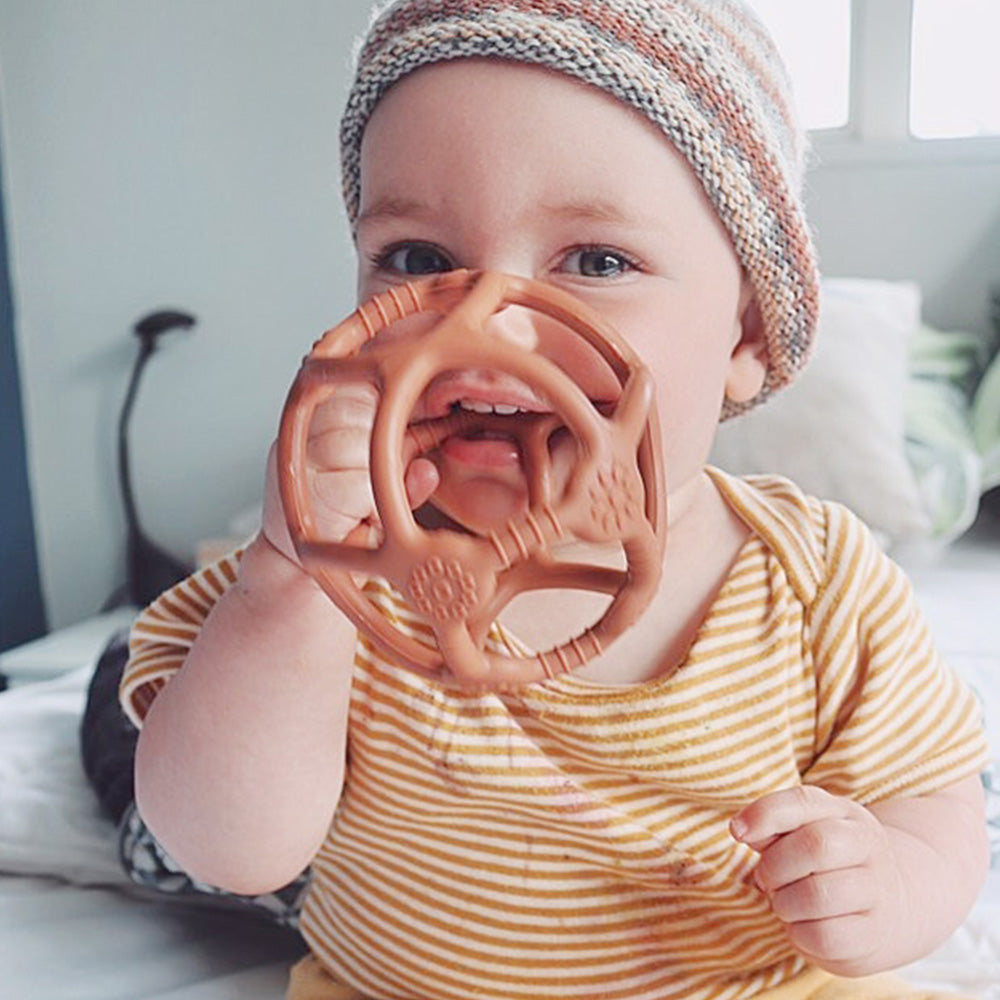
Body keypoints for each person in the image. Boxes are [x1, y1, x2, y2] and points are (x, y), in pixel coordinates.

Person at [119, 2, 991, 998]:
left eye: (597, 262)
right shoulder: (327, 567)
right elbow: (229, 850)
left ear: (747, 335)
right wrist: (286, 582)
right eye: (418, 258)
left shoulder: (818, 579)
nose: (488, 326)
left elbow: (934, 810)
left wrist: (888, 884)